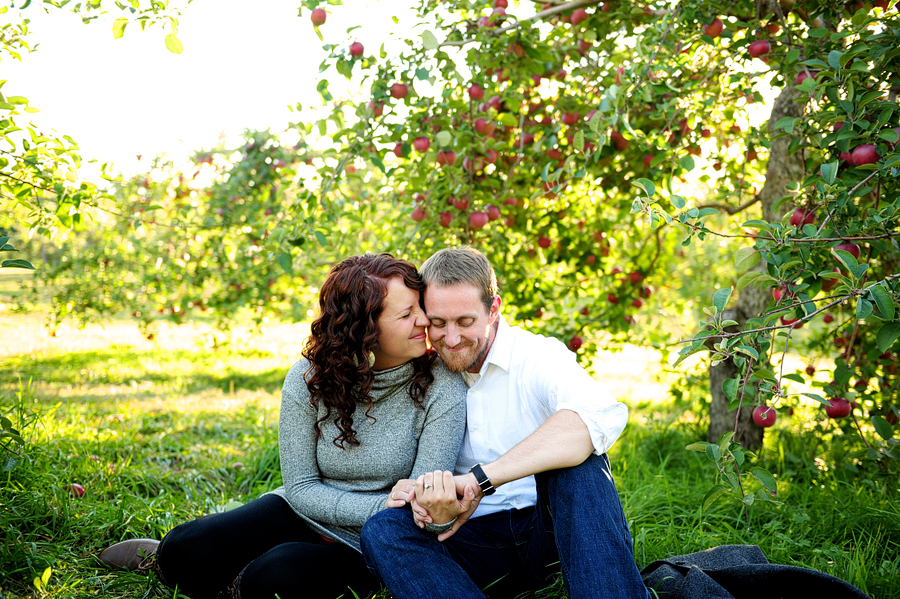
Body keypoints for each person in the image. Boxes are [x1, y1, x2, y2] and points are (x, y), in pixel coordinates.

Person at [98, 253, 468, 599]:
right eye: (406, 315)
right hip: (308, 510)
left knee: (274, 578)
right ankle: (180, 562)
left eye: (419, 307)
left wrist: (387, 512)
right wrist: (379, 503)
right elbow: (301, 487)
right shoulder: (310, 378)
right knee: (184, 548)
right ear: (364, 329)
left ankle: (237, 579)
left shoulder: (441, 386)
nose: (424, 321)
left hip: (377, 539)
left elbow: (422, 511)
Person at [360, 246, 650, 599]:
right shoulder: (423, 374)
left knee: (580, 461)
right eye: (438, 323)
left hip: (554, 534)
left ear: (494, 309)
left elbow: (600, 415)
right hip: (469, 539)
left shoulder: (536, 356)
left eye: (465, 322)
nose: (450, 340)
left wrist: (479, 480)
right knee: (383, 530)